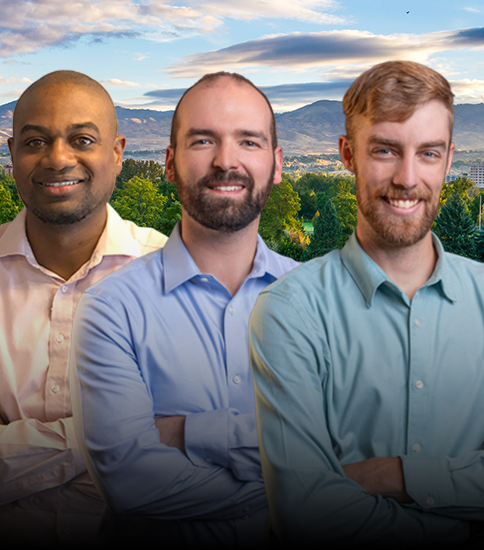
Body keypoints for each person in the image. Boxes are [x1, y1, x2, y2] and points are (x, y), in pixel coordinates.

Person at [248, 60, 484, 544]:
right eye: (385, 150)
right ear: (348, 154)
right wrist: (477, 515)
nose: (407, 178)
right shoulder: (289, 312)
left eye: (428, 153)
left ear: (448, 161)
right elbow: (306, 515)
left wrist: (391, 477)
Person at [0, 70, 167, 544]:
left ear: (118, 153)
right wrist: (127, 436)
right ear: (12, 155)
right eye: (35, 141)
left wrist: (6, 439)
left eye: (82, 139)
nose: (58, 158)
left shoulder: (175, 281)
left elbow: (215, 458)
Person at [69, 72, 298, 546]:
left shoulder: (324, 305)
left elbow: (362, 451)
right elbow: (130, 484)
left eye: (248, 142)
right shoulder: (110, 310)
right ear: (170, 163)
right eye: (202, 141)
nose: (226, 161)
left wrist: (184, 432)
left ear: (276, 164)